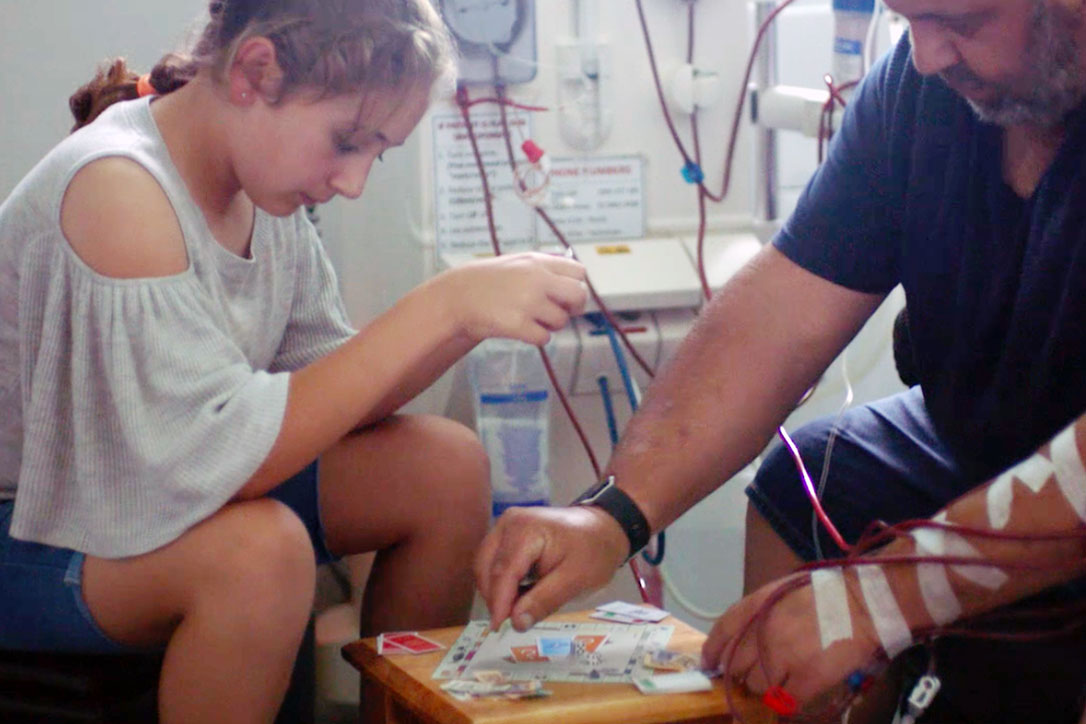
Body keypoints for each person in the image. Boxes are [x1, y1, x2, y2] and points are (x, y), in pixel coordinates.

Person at [476, 0, 1086, 720]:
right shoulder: (917, 91)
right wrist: (615, 512)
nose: (926, 55)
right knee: (812, 486)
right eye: (907, 19)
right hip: (982, 440)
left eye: (958, 21)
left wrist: (882, 597)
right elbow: (784, 309)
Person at [0, 1, 587, 721]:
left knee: (443, 467)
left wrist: (468, 321)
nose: (354, 181)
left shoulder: (259, 191)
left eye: (378, 153)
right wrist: (442, 306)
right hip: (35, 527)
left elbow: (338, 398)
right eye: (348, 141)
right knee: (260, 556)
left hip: (143, 492)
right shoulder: (119, 190)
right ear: (254, 72)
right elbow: (217, 461)